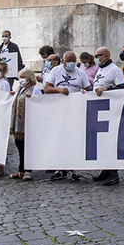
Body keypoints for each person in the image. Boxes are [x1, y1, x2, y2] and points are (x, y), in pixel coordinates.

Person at [44, 50, 91, 181]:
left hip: (76, 110)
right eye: (68, 61)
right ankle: (61, 167)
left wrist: (84, 91)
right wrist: (59, 89)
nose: (71, 63)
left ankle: (75, 169)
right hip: (59, 109)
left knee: (75, 138)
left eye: (73, 61)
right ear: (63, 61)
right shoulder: (56, 71)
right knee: (60, 138)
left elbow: (88, 88)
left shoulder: (80, 72)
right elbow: (47, 88)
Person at [91, 47, 124, 186]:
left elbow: (122, 88)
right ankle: (105, 170)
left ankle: (113, 174)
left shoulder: (114, 70)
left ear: (105, 56)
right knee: (102, 142)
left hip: (111, 111)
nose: (95, 58)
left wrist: (106, 90)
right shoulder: (100, 70)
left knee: (111, 142)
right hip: (100, 110)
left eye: (97, 56)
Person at [9, 68, 42, 182]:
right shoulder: (19, 89)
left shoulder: (34, 89)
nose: (21, 80)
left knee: (27, 147)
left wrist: (31, 98)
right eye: (20, 77)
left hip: (28, 122)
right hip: (18, 124)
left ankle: (28, 170)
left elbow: (39, 102)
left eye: (24, 77)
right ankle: (21, 170)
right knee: (19, 146)